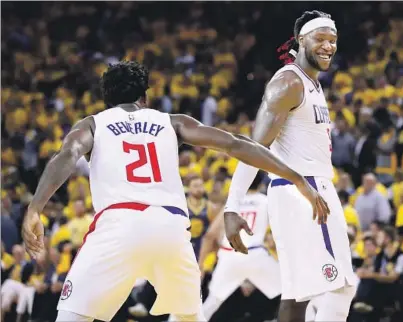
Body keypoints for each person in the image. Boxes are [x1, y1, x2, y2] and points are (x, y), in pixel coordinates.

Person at [21, 61, 329, 322]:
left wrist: (35, 208)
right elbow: (236, 144)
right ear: (144, 96)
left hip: (119, 226)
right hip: (171, 231)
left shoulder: (93, 124)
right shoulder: (171, 122)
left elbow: (65, 156)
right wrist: (296, 177)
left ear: (107, 98)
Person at [223, 11, 357, 322]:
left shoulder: (310, 83)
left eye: (333, 40)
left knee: (299, 295)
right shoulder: (288, 83)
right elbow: (254, 148)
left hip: (308, 189)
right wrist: (233, 206)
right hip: (303, 193)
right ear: (300, 40)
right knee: (339, 289)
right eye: (320, 39)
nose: (328, 46)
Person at [198, 171, 281, 321]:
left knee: (211, 303)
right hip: (254, 255)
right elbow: (280, 233)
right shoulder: (266, 201)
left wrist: (201, 265)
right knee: (292, 292)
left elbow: (210, 235)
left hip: (229, 256)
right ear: (262, 183)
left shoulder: (232, 203)